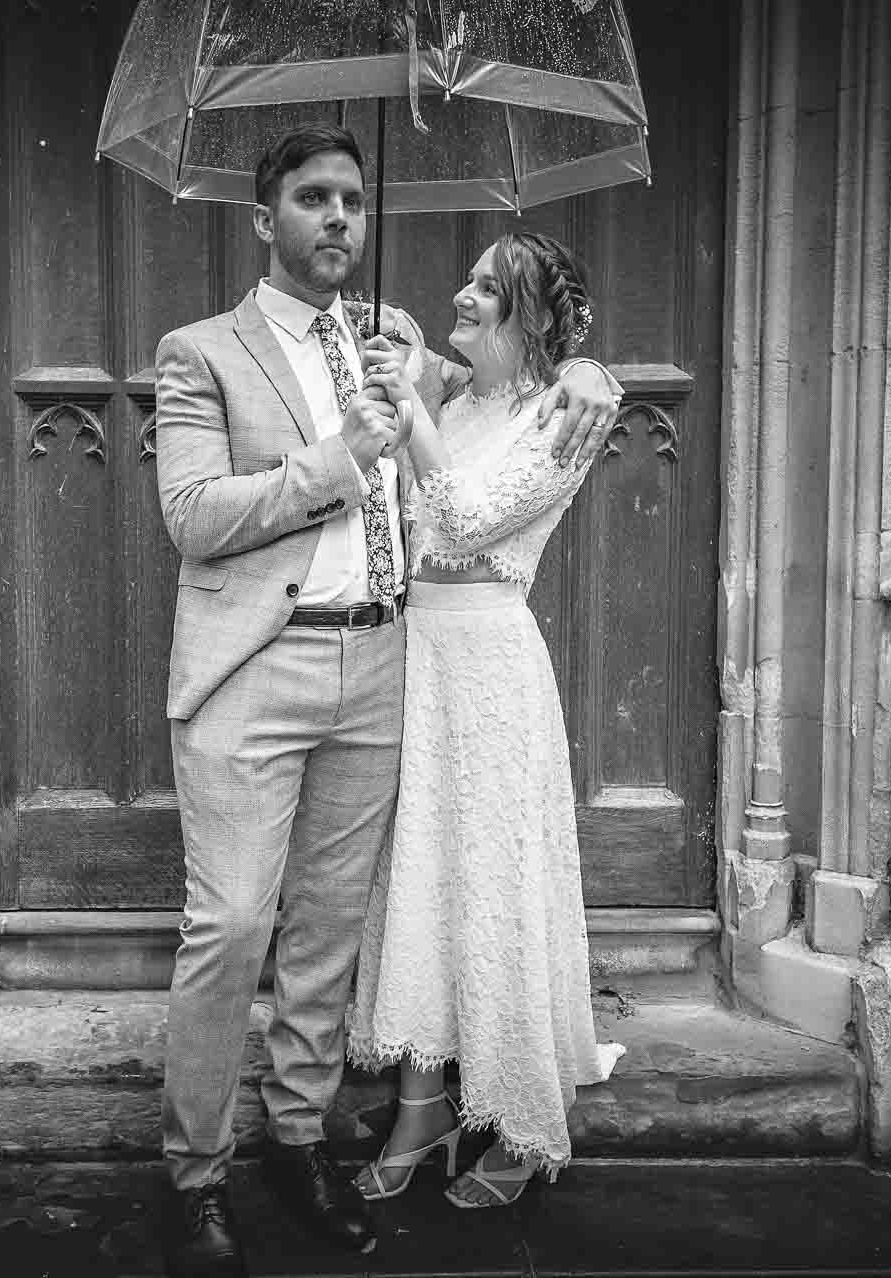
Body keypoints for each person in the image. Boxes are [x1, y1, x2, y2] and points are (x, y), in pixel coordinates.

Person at [152, 124, 621, 1278]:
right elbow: (195, 517)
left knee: (326, 935)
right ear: (266, 222)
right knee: (231, 929)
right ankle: (195, 1176)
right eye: (311, 200)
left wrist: (589, 371)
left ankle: (298, 1142)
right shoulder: (200, 351)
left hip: (384, 669)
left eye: (353, 202)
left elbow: (515, 397)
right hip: (258, 668)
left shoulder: (395, 340)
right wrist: (336, 457)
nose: (339, 220)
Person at [344, 230, 627, 1210]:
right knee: (419, 877)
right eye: (464, 280)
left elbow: (463, 518)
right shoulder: (454, 395)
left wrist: (587, 365)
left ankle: (515, 1116)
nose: (462, 295)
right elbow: (403, 355)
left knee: (496, 888)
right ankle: (419, 1105)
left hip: (494, 671)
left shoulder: (566, 414)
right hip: (415, 659)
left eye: (487, 289)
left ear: (534, 318)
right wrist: (397, 350)